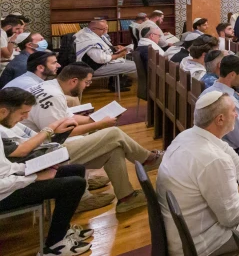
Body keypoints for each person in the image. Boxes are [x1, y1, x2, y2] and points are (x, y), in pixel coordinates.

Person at [20, 62, 161, 212]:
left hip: (44, 148)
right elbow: (60, 134)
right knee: (114, 134)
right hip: (42, 156)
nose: (87, 86)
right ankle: (148, 159)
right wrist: (99, 125)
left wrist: (94, 119)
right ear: (74, 81)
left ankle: (127, 198)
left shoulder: (50, 87)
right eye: (86, 82)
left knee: (114, 148)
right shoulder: (53, 96)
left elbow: (68, 118)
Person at [157, 90, 239, 256]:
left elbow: (227, 149)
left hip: (183, 232)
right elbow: (231, 217)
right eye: (234, 111)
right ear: (220, 119)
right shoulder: (214, 160)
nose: (237, 115)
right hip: (202, 243)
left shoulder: (187, 135)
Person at [0, 89, 90, 256]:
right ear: (3, 111)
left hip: (9, 183)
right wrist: (34, 177)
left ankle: (62, 231)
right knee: (74, 185)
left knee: (76, 170)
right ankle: (54, 246)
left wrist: (31, 168)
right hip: (4, 195)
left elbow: (5, 168)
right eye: (22, 113)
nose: (25, 118)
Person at [74, 18, 135, 91]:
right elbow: (101, 59)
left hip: (91, 64)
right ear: (93, 29)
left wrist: (114, 48)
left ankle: (118, 83)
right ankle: (118, 84)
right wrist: (120, 55)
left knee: (124, 61)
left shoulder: (87, 32)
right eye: (103, 29)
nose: (105, 32)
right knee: (135, 65)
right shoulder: (89, 40)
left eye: (106, 29)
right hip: (93, 68)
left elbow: (103, 47)